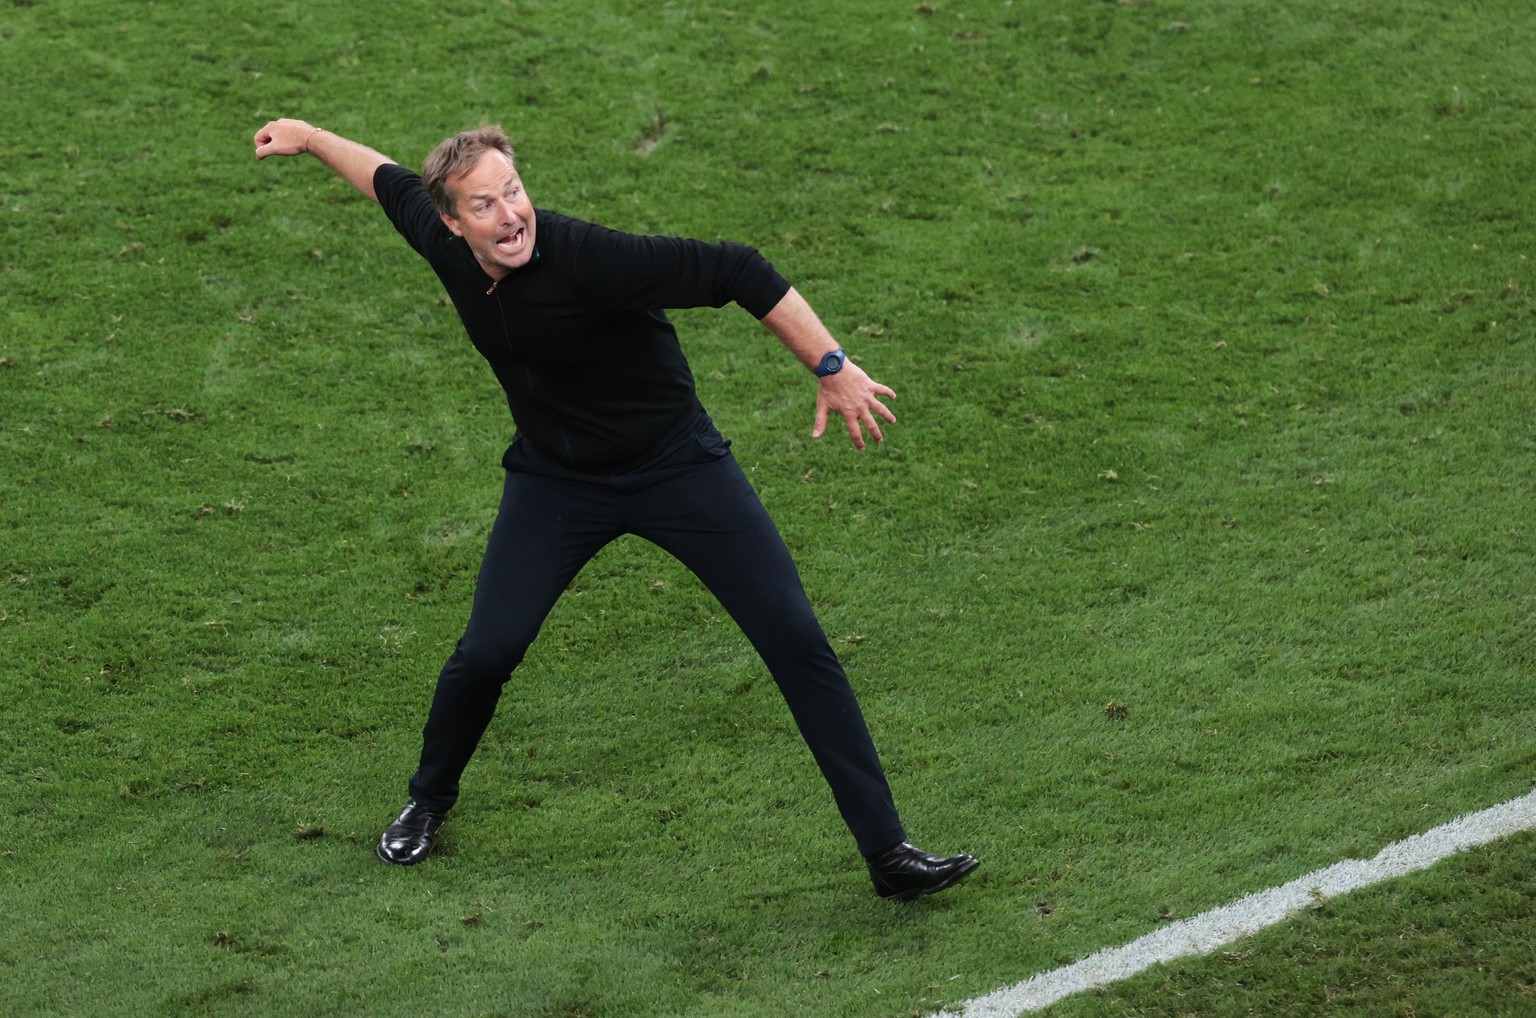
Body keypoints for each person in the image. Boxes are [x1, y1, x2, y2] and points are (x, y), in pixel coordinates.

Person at [252, 118, 977, 900]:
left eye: (515, 192)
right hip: (555, 484)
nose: (511, 216)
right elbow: (383, 175)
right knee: (487, 652)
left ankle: (888, 854)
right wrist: (309, 136)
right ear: (452, 223)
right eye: (485, 207)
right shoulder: (441, 243)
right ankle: (428, 802)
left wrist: (830, 365)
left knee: (795, 639)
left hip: (676, 467)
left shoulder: (590, 259)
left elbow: (737, 268)